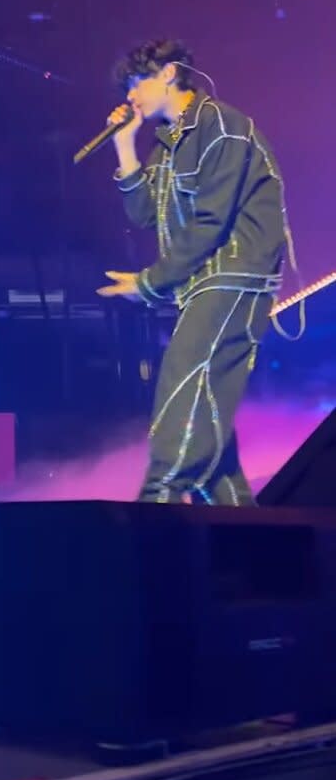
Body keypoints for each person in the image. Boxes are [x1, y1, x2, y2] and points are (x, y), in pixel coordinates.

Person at [97, 39, 288, 506]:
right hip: (201, 283)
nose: (130, 95)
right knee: (208, 420)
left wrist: (149, 281)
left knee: (184, 385)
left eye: (135, 82)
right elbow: (145, 213)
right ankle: (244, 538)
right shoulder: (167, 145)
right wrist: (125, 145)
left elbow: (210, 222)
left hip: (233, 275)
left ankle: (157, 502)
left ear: (168, 73)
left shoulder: (221, 125)